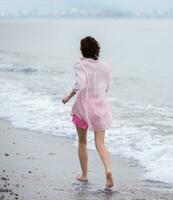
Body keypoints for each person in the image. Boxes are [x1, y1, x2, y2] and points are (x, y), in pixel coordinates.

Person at [62, 36, 113, 191]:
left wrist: (69, 96)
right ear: (97, 49)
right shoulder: (105, 66)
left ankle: (84, 174)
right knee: (100, 143)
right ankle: (108, 170)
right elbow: (107, 88)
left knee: (82, 142)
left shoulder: (80, 65)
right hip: (100, 109)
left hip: (83, 110)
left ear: (82, 50)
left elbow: (80, 84)